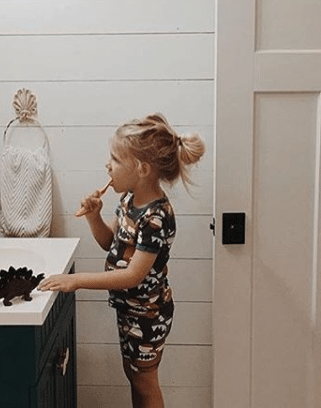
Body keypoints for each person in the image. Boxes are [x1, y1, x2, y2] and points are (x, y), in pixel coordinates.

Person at [38, 113, 205, 408]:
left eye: (115, 159)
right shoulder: (129, 200)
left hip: (148, 314)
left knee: (145, 382)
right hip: (130, 311)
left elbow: (132, 276)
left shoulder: (156, 217)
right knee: (134, 375)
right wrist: (93, 216)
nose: (107, 165)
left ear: (141, 169)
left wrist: (76, 281)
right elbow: (110, 244)